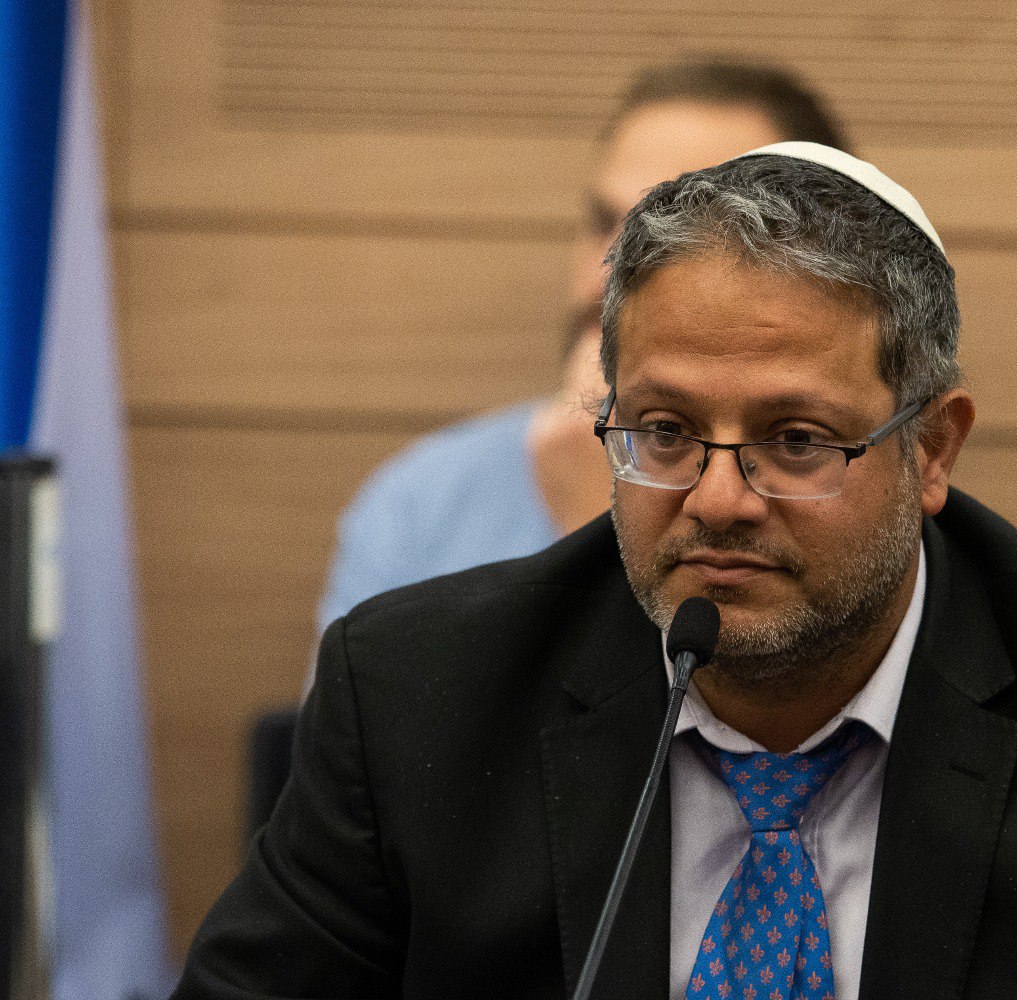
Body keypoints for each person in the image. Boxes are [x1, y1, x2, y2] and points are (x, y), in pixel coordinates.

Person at [176, 145, 1017, 998]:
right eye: (665, 432)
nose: (717, 499)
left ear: (932, 449)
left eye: (797, 440)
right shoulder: (418, 694)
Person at [316, 60, 849, 634]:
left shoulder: (847, 494)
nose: (606, 279)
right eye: (603, 222)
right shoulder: (420, 504)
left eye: (677, 236)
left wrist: (606, 536)